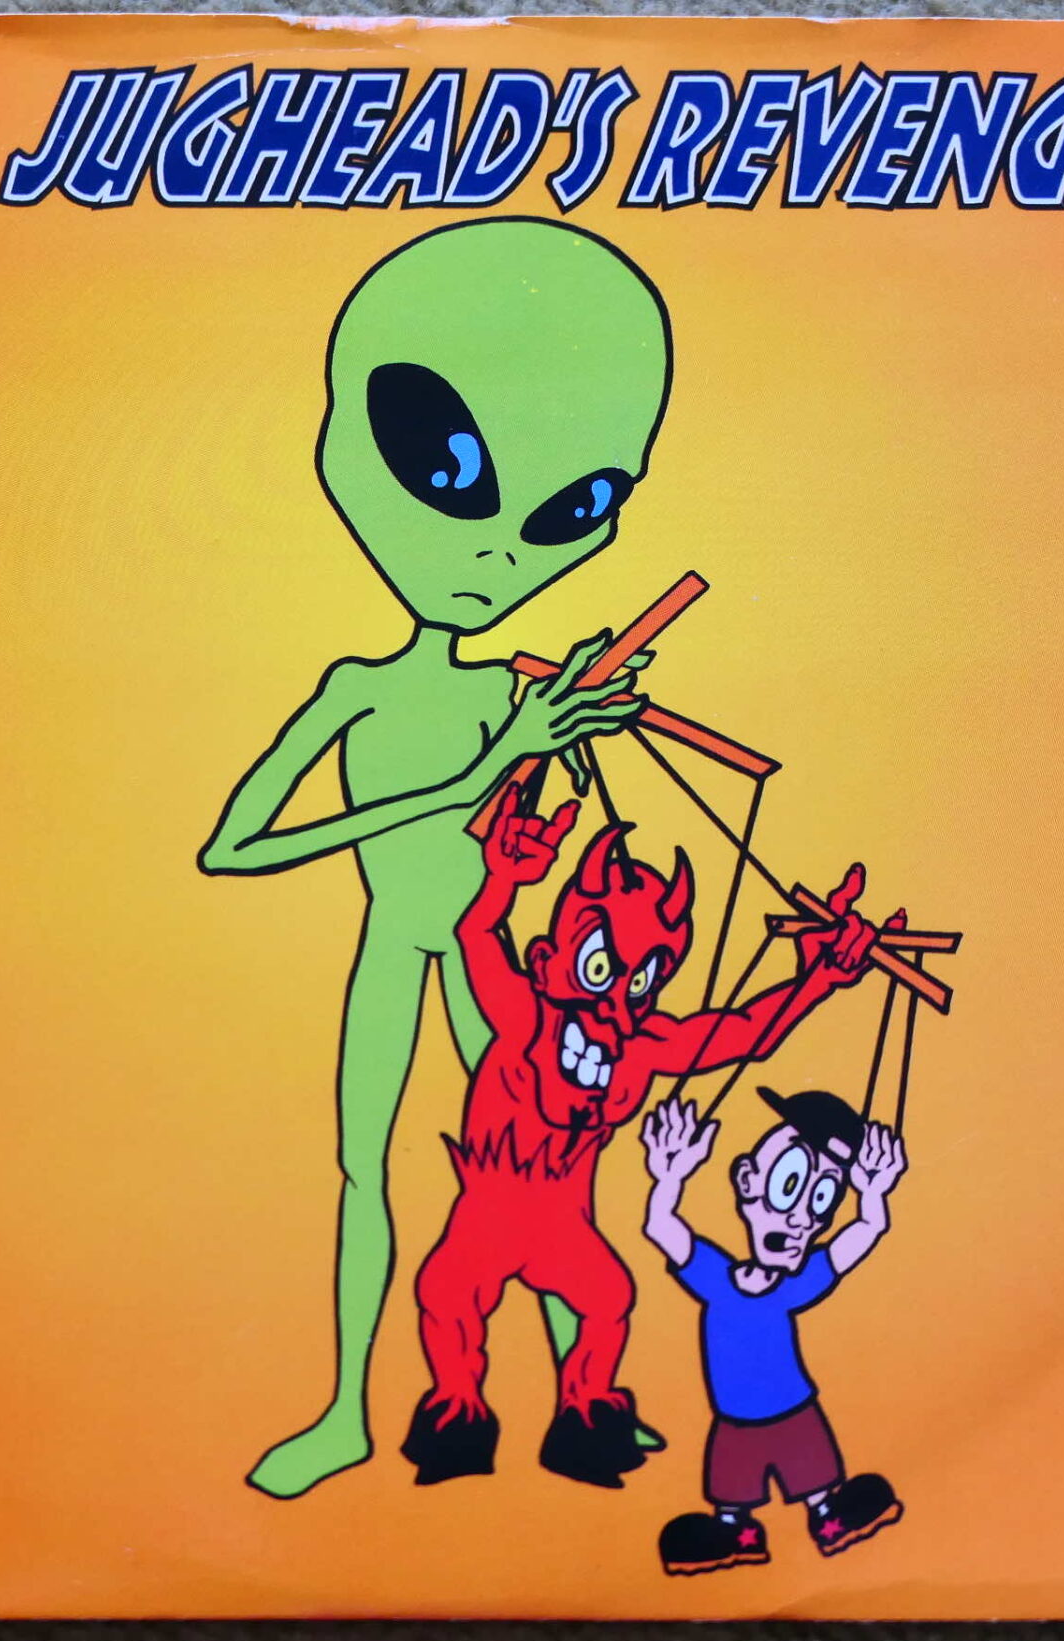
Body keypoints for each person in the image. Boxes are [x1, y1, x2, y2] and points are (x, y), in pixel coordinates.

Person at [200, 218, 670, 1498]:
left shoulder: (517, 688)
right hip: (396, 945)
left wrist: (565, 732)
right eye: (446, 468)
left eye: (574, 510)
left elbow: (549, 819)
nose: (500, 553)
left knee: (555, 1179)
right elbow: (232, 845)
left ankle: (588, 1398)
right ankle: (345, 1412)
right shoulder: (360, 687)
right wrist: (470, 778)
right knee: (367, 1170)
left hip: (490, 959)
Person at [402, 793, 881, 1489]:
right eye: (601, 967)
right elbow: (476, 935)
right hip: (490, 1207)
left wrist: (817, 978)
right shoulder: (527, 1012)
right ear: (548, 957)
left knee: (608, 1296)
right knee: (448, 1293)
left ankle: (585, 1414)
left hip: (561, 1224)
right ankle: (457, 1411)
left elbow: (744, 1033)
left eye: (643, 980)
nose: (615, 1000)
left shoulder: (642, 1044)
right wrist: (501, 878)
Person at [639, 1088, 908, 1573]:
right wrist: (669, 1176)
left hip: (794, 1412)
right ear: (747, 1181)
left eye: (821, 1199)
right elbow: (662, 1226)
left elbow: (860, 1237)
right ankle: (734, 1534)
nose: (802, 1217)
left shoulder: (793, 1286)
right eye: (789, 1184)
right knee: (732, 1488)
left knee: (817, 1480)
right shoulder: (716, 1278)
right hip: (735, 1419)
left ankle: (828, 1516)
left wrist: (872, 1197)